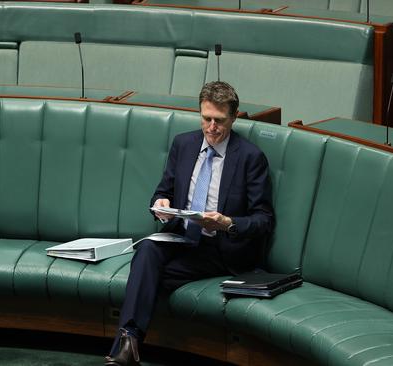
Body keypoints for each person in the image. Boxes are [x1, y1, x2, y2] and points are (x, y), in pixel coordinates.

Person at [105, 81, 274, 366]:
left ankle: (125, 349)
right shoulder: (183, 144)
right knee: (147, 249)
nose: (211, 127)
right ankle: (129, 341)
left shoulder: (250, 158)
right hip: (180, 238)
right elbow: (164, 192)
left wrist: (228, 222)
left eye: (219, 121)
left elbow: (264, 220)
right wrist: (161, 206)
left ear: (234, 117)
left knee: (146, 274)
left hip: (219, 249)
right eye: (205, 118)